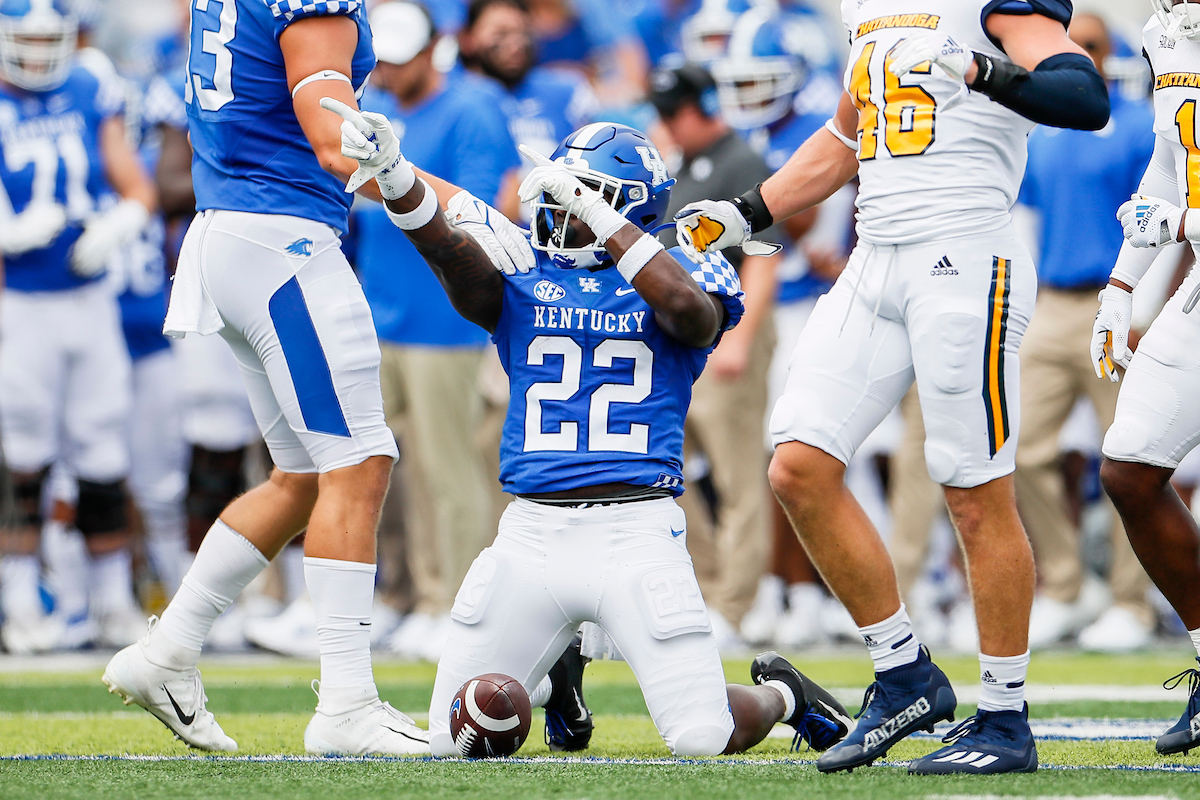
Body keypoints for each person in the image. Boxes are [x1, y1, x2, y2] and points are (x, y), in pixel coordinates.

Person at [328, 105, 854, 756]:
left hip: (635, 536)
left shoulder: (685, 262)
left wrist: (604, 222)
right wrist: (396, 176)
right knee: (452, 738)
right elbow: (453, 257)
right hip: (530, 536)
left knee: (701, 738)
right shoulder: (528, 269)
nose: (563, 214)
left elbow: (690, 315)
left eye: (583, 200)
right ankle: (557, 678)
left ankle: (783, 697)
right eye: (562, 196)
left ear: (629, 209)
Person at [674, 0, 1109, 774]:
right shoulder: (868, 8)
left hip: (966, 252)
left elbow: (1082, 95)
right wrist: (748, 212)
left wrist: (981, 69)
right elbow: (847, 136)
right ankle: (905, 673)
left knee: (974, 490)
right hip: (876, 253)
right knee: (799, 465)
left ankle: (1005, 717)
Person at [101, 0, 429, 756]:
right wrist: (411, 183)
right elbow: (329, 134)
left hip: (232, 230)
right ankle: (347, 702)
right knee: (360, 460)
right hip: (284, 238)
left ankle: (168, 652)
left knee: (304, 477)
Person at [352, 1, 518, 661]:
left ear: (433, 51)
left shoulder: (471, 109)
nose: (390, 68)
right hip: (385, 312)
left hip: (443, 319)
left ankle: (458, 603)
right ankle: (421, 596)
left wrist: (385, 184)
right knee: (405, 470)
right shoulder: (384, 111)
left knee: (450, 470)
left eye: (402, 56)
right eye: (383, 58)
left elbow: (467, 210)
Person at [0, 0, 156, 655]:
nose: (38, 55)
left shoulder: (91, 81)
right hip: (20, 302)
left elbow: (136, 187)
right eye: (24, 41)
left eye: (48, 40)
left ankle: (113, 601)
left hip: (89, 300)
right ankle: (17, 603)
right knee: (21, 453)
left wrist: (118, 224)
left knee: (103, 449)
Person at [1016, 12, 1157, 653]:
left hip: (1116, 300)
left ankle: (1131, 601)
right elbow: (1032, 218)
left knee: (1129, 459)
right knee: (1016, 445)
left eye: (1095, 47)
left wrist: (1143, 302)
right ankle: (1067, 587)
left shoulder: (1136, 129)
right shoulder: (1045, 133)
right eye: (1078, 48)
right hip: (1053, 302)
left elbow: (1163, 220)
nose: (1086, 57)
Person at [1093, 0, 1200, 759]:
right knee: (1130, 469)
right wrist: (1123, 285)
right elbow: (1171, 161)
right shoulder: (1168, 29)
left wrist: (1183, 229)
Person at [650, 63, 781, 645]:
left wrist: (744, 337)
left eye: (676, 112)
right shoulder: (677, 163)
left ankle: (734, 606)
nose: (671, 124)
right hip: (681, 336)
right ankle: (704, 588)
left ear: (701, 105)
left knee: (737, 477)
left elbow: (766, 253)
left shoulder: (741, 162)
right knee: (669, 475)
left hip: (726, 329)